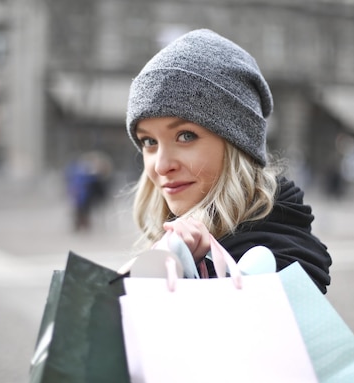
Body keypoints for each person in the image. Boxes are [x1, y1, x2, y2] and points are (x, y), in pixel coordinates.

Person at [124, 29, 332, 293]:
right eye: (148, 142)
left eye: (185, 136)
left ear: (237, 144)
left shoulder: (278, 260)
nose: (162, 165)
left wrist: (196, 280)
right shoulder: (179, 243)